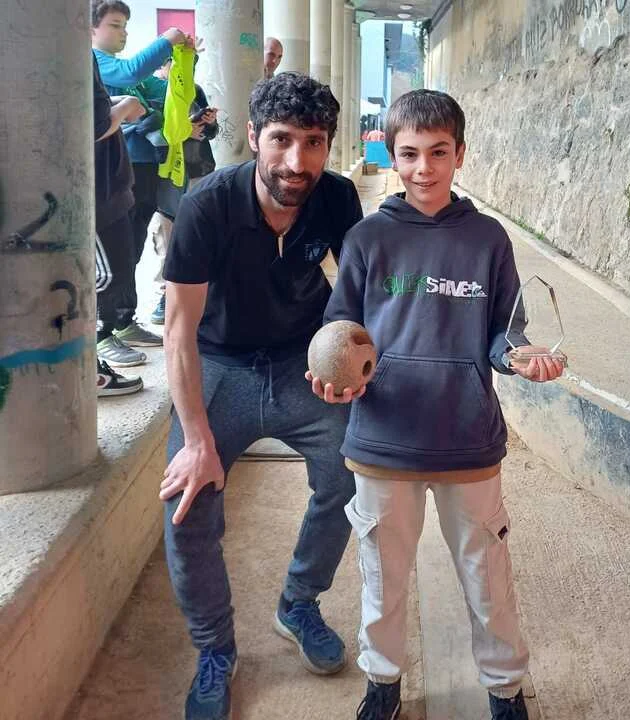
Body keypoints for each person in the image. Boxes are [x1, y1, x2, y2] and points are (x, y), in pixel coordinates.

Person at [311, 89, 564, 720]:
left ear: (460, 154)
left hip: (467, 437)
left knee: (488, 575)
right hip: (382, 439)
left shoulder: (488, 238)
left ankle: (505, 689)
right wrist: (336, 377)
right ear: (390, 156)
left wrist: (520, 356)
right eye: (410, 154)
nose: (424, 168)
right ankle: (382, 682)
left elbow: (504, 331)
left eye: (438, 152)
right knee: (383, 576)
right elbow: (340, 331)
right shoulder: (367, 238)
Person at [159, 72, 363, 720]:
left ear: (327, 145)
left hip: (301, 363)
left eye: (313, 142)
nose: (296, 161)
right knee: (186, 506)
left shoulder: (336, 198)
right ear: (252, 137)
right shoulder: (208, 205)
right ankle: (215, 649)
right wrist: (196, 441)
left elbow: (355, 295)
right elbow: (178, 330)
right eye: (281, 140)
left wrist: (350, 366)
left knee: (350, 473)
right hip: (220, 365)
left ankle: (298, 602)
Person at [91, 0, 190, 362]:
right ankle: (101, 332)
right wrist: (168, 40)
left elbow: (160, 99)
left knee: (129, 251)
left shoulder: (113, 67)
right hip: (111, 175)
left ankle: (123, 320)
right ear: (90, 28)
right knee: (112, 261)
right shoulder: (95, 61)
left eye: (125, 26)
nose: (123, 33)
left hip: (137, 170)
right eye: (115, 25)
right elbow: (131, 74)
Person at [147, 55, 219, 326]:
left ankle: (201, 294)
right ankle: (166, 296)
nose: (189, 69)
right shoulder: (152, 89)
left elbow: (211, 132)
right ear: (164, 64)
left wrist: (208, 123)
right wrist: (183, 130)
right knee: (166, 234)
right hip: (166, 174)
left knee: (201, 232)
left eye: (193, 64)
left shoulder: (194, 90)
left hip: (199, 169)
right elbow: (148, 130)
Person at [92, 51, 146, 392]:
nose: (123, 33)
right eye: (115, 26)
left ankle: (92, 357)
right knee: (105, 277)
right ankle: (93, 348)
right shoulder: (70, 47)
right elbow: (96, 125)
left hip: (110, 189)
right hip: (95, 191)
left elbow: (90, 111)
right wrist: (126, 106)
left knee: (120, 270)